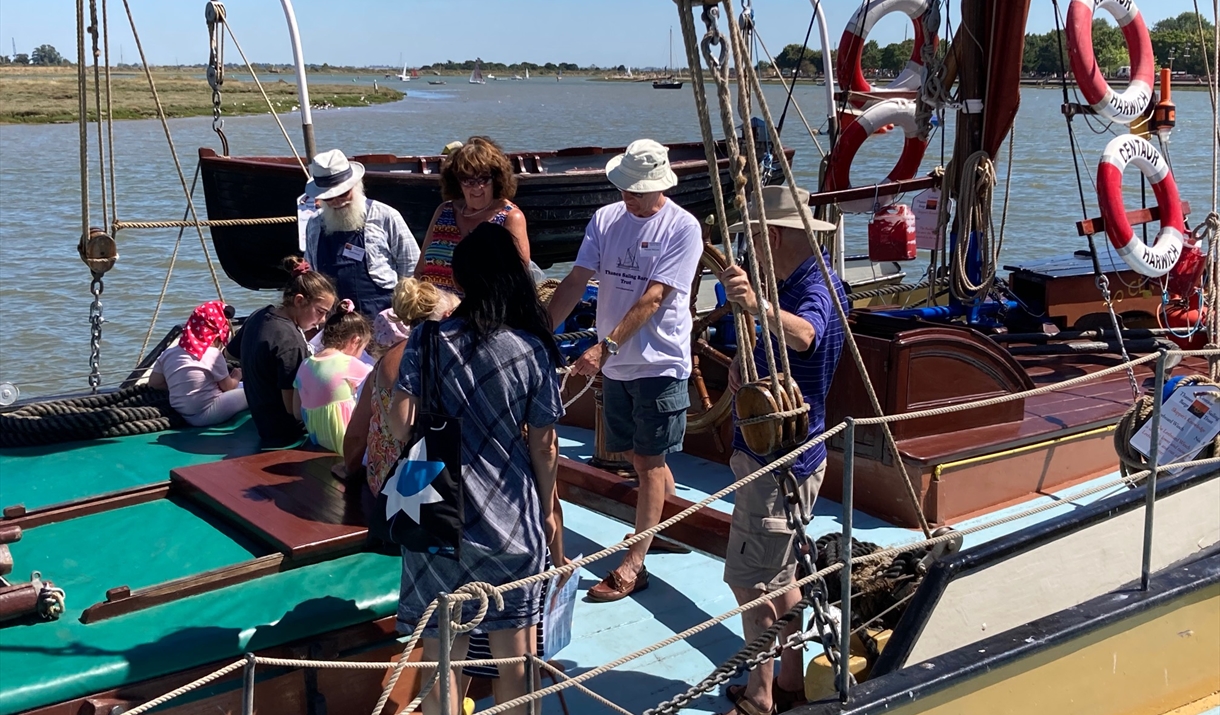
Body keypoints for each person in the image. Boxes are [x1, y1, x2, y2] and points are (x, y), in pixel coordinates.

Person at [390, 222, 562, 715]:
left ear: (461, 279)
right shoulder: (532, 349)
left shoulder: (427, 339)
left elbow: (402, 425)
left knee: (444, 655)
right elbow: (545, 446)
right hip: (510, 518)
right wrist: (547, 508)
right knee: (516, 657)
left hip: (437, 517)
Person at [546, 138, 703, 602]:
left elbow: (655, 297)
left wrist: (604, 348)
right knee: (638, 458)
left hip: (659, 360)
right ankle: (668, 530)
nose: (628, 196)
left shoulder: (683, 227)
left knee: (650, 462)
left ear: (661, 186)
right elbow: (576, 280)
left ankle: (635, 562)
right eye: (625, 187)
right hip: (618, 366)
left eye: (638, 189)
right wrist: (539, 334)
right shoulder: (605, 219)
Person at [718, 185, 846, 715]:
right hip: (797, 457)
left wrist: (757, 306)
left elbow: (806, 336)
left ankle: (760, 695)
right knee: (784, 577)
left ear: (768, 236)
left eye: (753, 238)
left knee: (751, 583)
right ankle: (789, 680)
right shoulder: (820, 280)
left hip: (777, 463)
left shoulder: (811, 290)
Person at [229, 256, 336, 447]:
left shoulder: (259, 315)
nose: (322, 320)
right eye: (320, 311)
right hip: (285, 432)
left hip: (262, 421)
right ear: (299, 300)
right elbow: (293, 409)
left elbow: (230, 354)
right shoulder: (291, 343)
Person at [304, 149, 421, 317]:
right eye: (329, 198)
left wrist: (405, 312)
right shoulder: (315, 224)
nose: (337, 201)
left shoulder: (385, 215)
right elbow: (312, 272)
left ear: (355, 186)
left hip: (384, 317)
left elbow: (411, 265)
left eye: (343, 193)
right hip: (334, 319)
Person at [416, 136, 529, 294]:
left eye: (483, 179)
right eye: (468, 180)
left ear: (496, 179)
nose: (477, 187)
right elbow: (420, 271)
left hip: (483, 316)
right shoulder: (444, 211)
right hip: (433, 312)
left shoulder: (510, 217)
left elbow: (517, 280)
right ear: (456, 181)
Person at [149, 300, 247, 427]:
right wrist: (236, 376)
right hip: (208, 413)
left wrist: (181, 385)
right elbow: (228, 387)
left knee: (242, 386)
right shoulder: (213, 354)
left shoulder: (168, 353)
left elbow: (154, 383)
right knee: (254, 390)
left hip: (183, 413)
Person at [293, 299, 373, 454]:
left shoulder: (305, 364)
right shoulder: (349, 364)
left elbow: (297, 412)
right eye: (362, 348)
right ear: (355, 341)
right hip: (347, 445)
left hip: (319, 440)